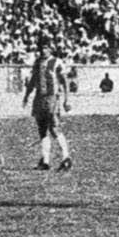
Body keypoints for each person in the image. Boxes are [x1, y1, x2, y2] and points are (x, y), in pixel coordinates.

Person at [22, 36, 72, 171]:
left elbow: (64, 81)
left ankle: (66, 158)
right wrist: (26, 95)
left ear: (51, 48)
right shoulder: (37, 62)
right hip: (39, 99)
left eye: (46, 47)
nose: (43, 50)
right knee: (42, 130)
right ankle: (45, 161)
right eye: (41, 47)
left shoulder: (57, 62)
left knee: (55, 129)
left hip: (52, 98)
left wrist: (67, 99)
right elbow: (33, 80)